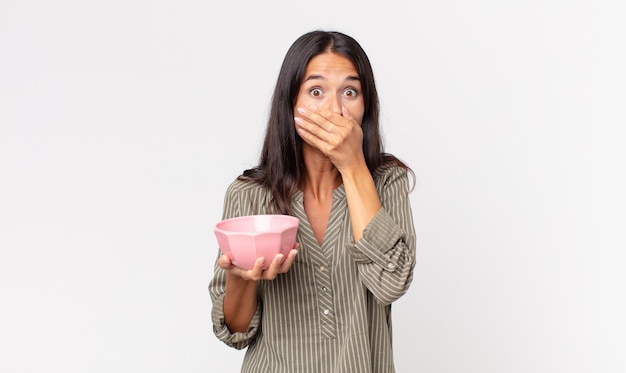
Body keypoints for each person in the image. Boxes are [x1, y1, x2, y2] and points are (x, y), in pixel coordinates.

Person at [209, 30, 416, 373]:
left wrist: (352, 165)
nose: (335, 109)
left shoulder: (386, 181)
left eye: (350, 92)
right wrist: (241, 278)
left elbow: (390, 283)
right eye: (316, 91)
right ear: (290, 103)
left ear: (366, 107)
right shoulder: (248, 194)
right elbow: (236, 331)